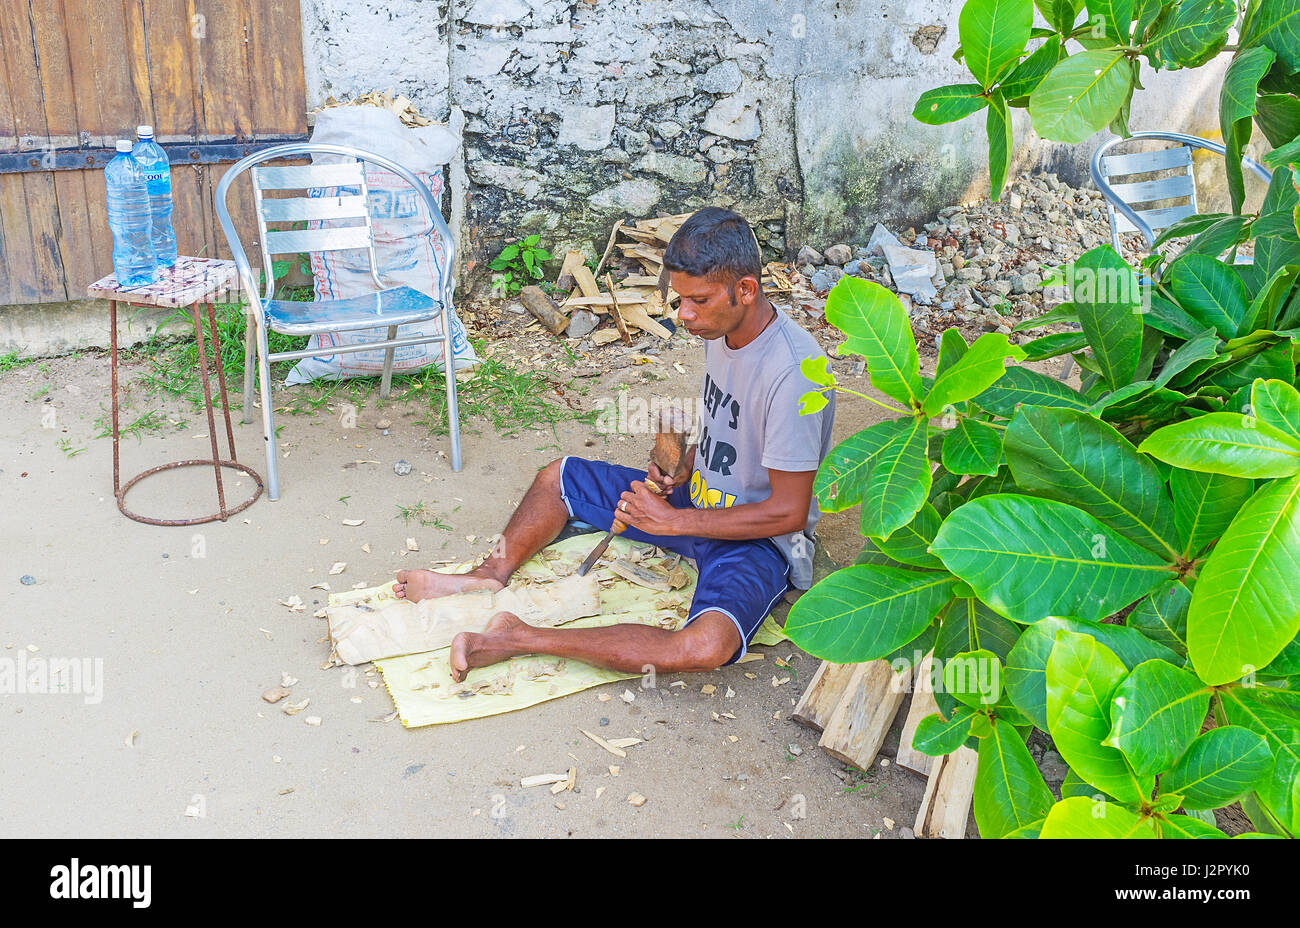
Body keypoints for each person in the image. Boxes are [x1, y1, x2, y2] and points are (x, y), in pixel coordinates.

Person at [395, 207, 836, 681]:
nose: (684, 316)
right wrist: (683, 468)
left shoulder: (793, 374)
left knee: (707, 644)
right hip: (698, 499)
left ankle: (517, 637)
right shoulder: (723, 327)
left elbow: (789, 512)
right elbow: (726, 427)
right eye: (681, 299)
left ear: (746, 290)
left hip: (756, 540)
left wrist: (673, 521)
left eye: (698, 301)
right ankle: (488, 575)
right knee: (558, 477)